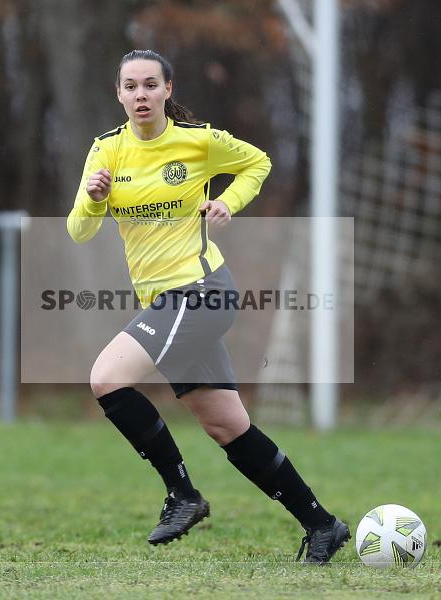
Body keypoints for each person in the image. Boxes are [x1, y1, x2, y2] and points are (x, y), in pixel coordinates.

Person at [66, 49, 349, 564]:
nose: (141, 95)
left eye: (151, 85)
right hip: (167, 304)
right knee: (227, 427)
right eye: (130, 87)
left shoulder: (196, 142)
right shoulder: (105, 151)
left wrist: (227, 203)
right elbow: (79, 230)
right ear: (119, 94)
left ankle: (183, 495)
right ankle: (323, 524)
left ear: (168, 90)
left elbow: (257, 163)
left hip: (203, 291)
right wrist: (91, 197)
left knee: (106, 377)